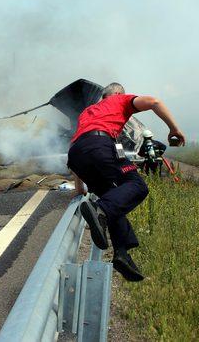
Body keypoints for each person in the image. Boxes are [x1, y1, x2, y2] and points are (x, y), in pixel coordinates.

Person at [67, 82, 186, 281]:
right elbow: (154, 101)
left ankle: (122, 254)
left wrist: (79, 188)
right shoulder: (120, 99)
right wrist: (174, 129)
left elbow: (79, 144)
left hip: (77, 155)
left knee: (113, 199)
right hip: (100, 145)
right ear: (116, 93)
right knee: (137, 186)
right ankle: (99, 211)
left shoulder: (88, 112)